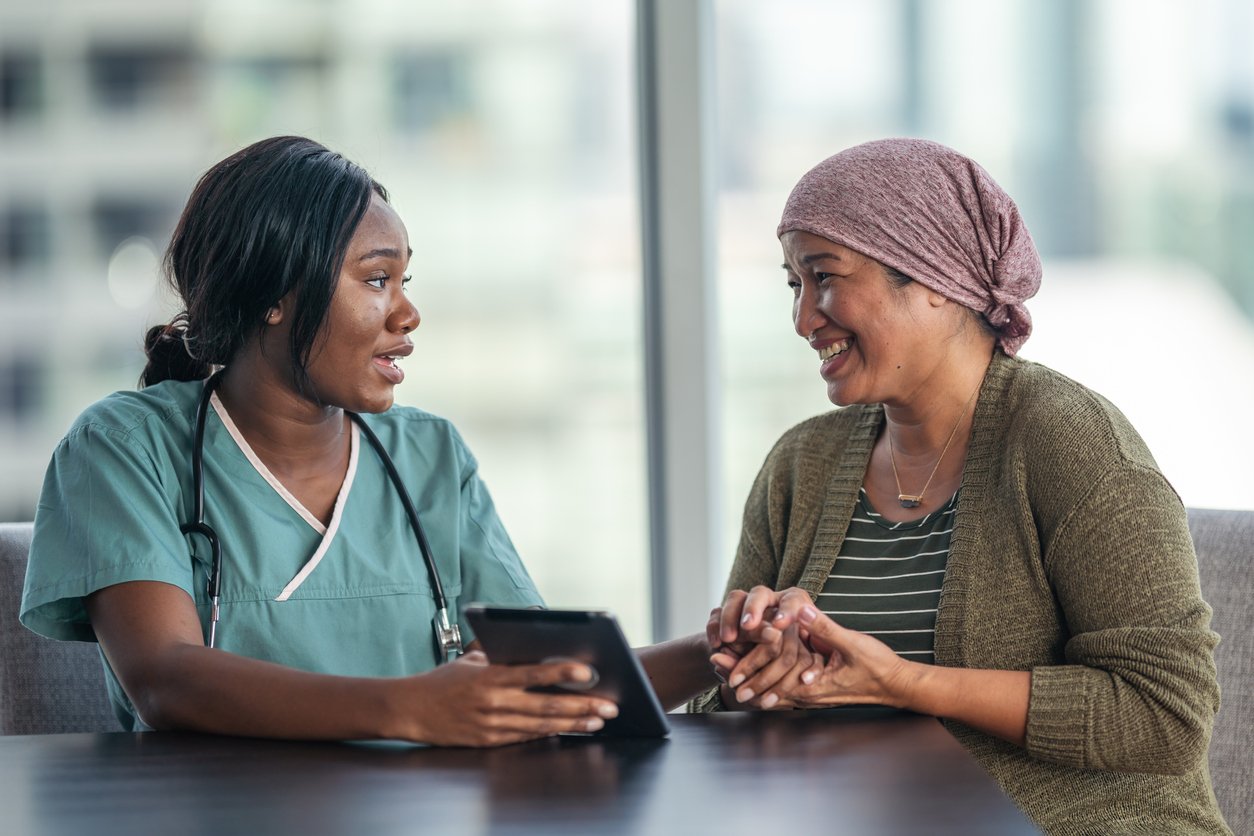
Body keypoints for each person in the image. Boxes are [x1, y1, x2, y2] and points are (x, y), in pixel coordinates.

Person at [20, 136, 712, 746]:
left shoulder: (431, 456)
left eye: (404, 280)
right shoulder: (124, 448)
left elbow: (544, 683)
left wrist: (716, 651)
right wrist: (409, 709)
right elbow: (168, 681)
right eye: (377, 280)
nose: (408, 313)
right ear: (274, 295)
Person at [695, 138, 1230, 833]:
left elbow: (1166, 716)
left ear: (934, 279)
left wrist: (906, 683)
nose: (803, 319)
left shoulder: (1070, 443)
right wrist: (757, 670)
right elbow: (723, 714)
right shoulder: (803, 464)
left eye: (824, 277)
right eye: (794, 284)